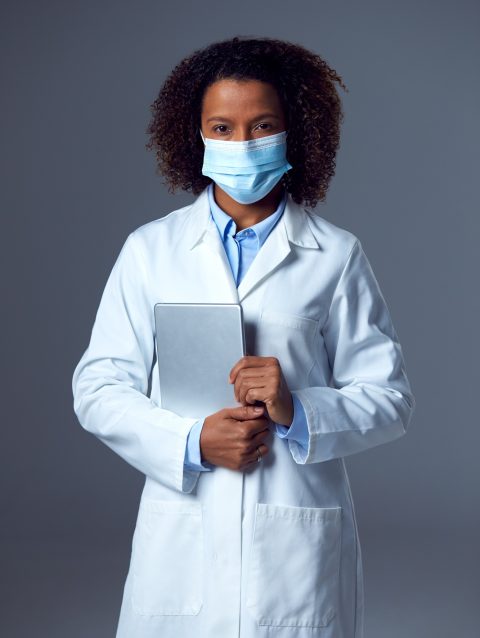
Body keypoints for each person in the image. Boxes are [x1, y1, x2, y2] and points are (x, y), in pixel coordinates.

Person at [72, 35, 416, 638]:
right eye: (222, 128)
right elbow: (98, 387)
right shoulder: (151, 251)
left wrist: (298, 410)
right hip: (183, 536)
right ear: (195, 135)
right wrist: (190, 442)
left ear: (295, 132)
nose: (243, 144)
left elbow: (390, 399)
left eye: (262, 125)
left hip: (294, 551)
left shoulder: (335, 255)